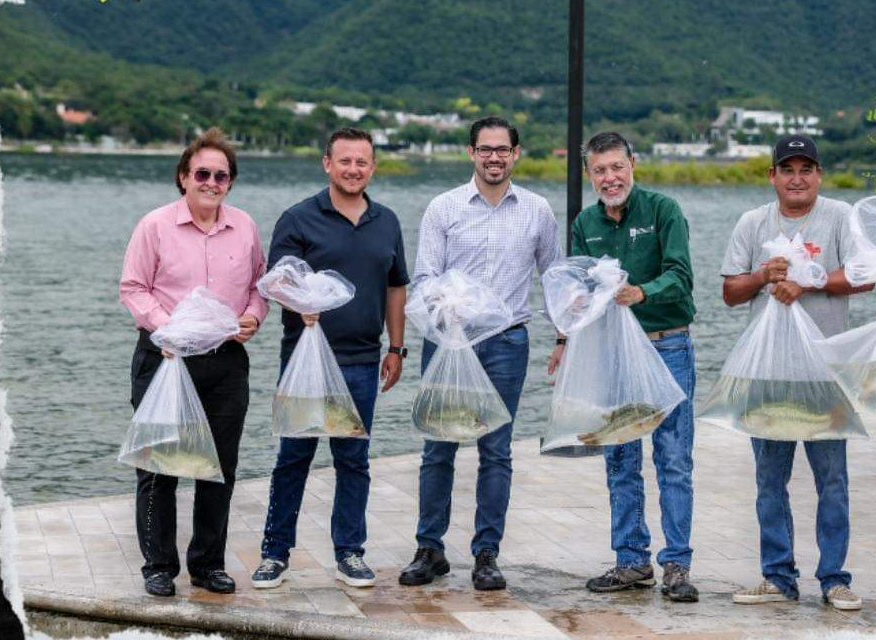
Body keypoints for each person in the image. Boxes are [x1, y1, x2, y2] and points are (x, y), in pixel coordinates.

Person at [398, 116, 562, 591]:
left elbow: (553, 278)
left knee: (496, 451)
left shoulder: (536, 210)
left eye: (503, 150)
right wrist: (446, 303)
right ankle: (430, 548)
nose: (494, 157)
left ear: (516, 154)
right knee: (438, 446)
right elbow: (424, 277)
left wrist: (565, 337)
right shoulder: (443, 208)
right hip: (449, 339)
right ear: (471, 152)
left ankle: (486, 553)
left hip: (507, 341)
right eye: (485, 149)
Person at [250, 128, 409, 590]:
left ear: (373, 167)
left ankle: (350, 552)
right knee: (293, 456)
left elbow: (397, 286)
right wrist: (301, 300)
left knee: (354, 460)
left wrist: (396, 347)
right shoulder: (299, 218)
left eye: (362, 162)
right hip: (306, 359)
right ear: (327, 164)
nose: (353, 169)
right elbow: (275, 281)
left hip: (363, 359)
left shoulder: (387, 221)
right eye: (345, 161)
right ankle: (274, 553)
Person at [720, 135, 871, 611]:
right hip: (768, 374)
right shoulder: (751, 222)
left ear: (820, 175)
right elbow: (729, 292)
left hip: (824, 375)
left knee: (833, 481)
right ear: (773, 176)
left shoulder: (841, 217)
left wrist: (811, 280)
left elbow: (866, 276)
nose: (798, 178)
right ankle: (778, 576)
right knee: (770, 482)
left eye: (807, 169)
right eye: (788, 169)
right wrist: (765, 277)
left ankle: (835, 578)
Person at [120, 128, 268, 597]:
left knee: (218, 467)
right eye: (201, 173)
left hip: (225, 363)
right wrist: (166, 329)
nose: (211, 182)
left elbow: (259, 287)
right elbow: (133, 288)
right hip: (163, 360)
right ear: (183, 177)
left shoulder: (244, 226)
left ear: (231, 182)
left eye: (221, 176)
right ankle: (158, 567)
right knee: (158, 467)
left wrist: (253, 317)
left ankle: (207, 565)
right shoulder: (154, 226)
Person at [559, 131, 699, 602]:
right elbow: (578, 285)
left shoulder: (664, 211)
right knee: (620, 458)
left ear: (632, 164)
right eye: (600, 170)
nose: (610, 177)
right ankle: (631, 561)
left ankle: (677, 564)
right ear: (589, 174)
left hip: (667, 348)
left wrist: (643, 293)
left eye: (617, 167)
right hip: (614, 355)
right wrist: (575, 304)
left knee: (674, 459)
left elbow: (681, 277)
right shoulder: (585, 223)